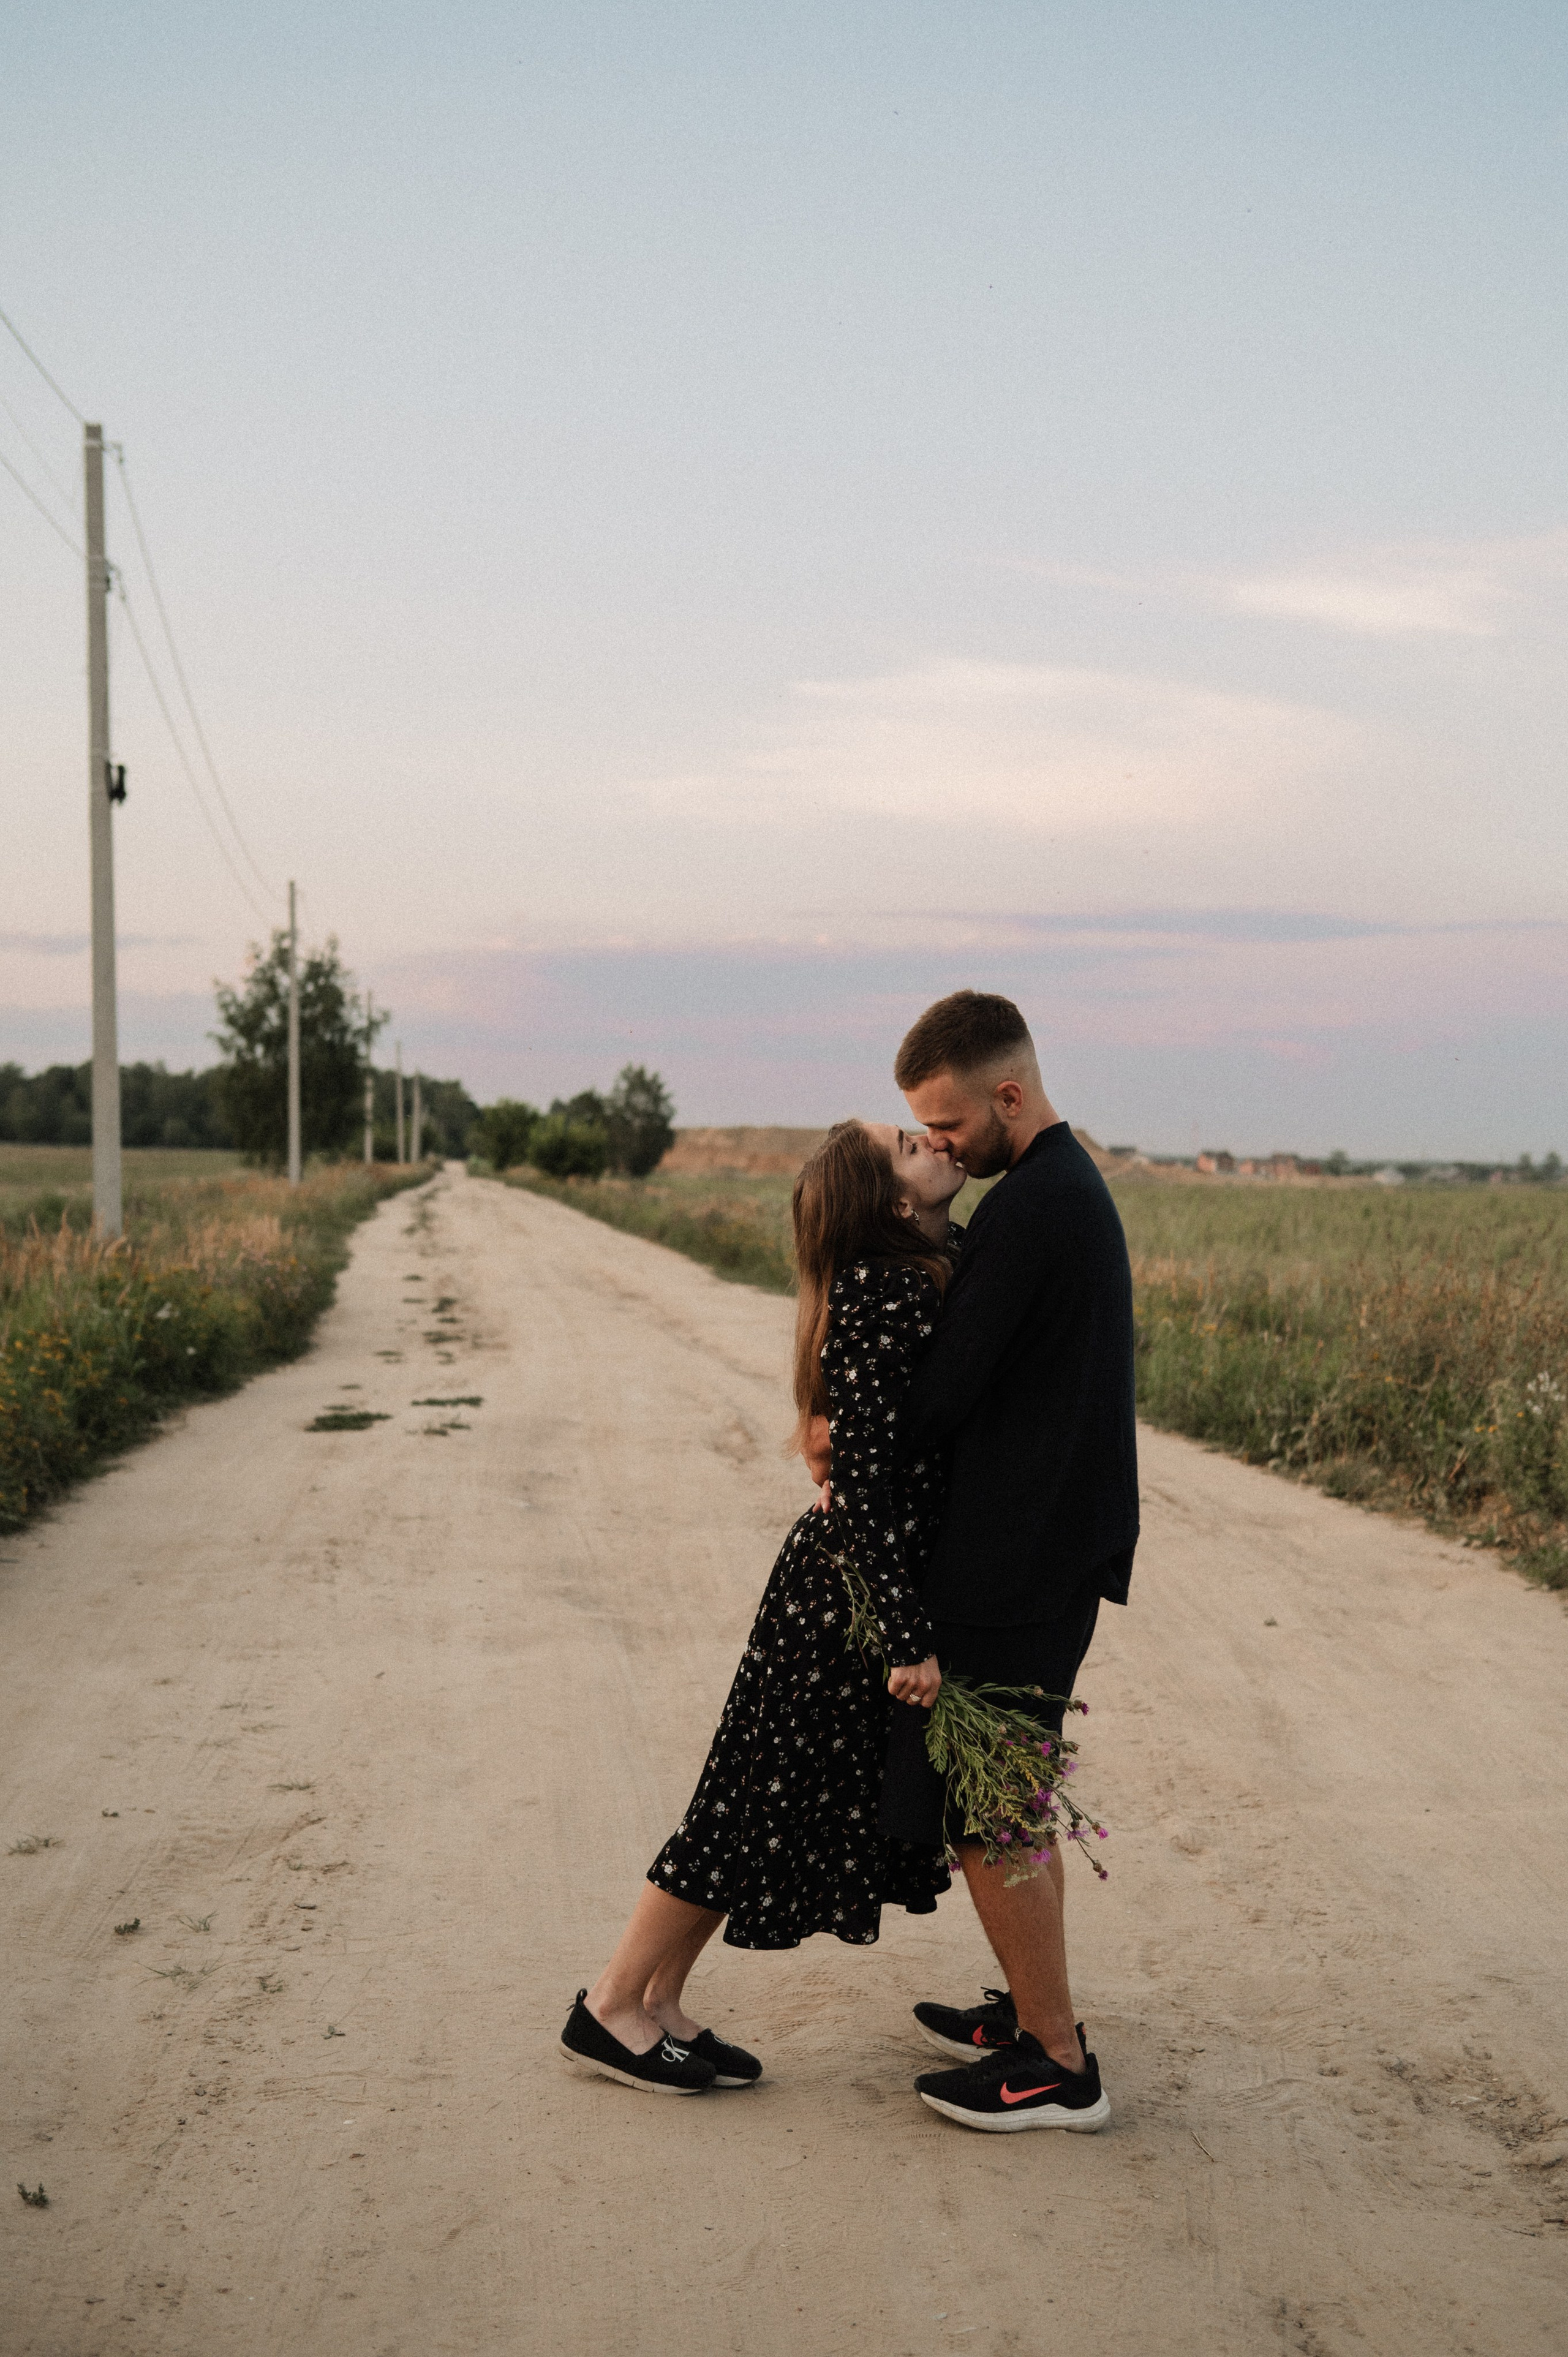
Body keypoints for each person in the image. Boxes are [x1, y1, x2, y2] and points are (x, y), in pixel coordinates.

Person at [559, 1117, 967, 2095]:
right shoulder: (881, 1289)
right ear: (890, 1200)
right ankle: (609, 2005)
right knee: (741, 1805)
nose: (933, 1141)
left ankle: (660, 2001)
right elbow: (862, 1483)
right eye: (910, 1146)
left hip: (841, 1591)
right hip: (838, 1602)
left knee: (755, 1805)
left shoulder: (914, 1267)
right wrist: (904, 1638)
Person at [807, 990, 1136, 2133]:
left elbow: (941, 1393)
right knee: (1005, 1793)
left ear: (1008, 1094)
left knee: (994, 1806)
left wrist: (844, 1427)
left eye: (947, 1124)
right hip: (1044, 1539)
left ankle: (1055, 2063)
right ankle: (1035, 2014)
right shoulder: (1055, 1189)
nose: (939, 1145)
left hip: (1020, 1552)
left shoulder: (1034, 1209)